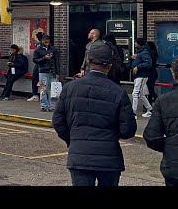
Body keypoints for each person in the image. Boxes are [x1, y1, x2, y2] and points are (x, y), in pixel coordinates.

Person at [52, 43, 137, 186]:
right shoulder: (118, 92)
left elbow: (58, 121)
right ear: (109, 66)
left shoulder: (69, 88)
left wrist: (72, 140)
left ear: (89, 63)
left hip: (79, 156)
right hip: (109, 158)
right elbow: (128, 130)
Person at [143, 54, 178, 186]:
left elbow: (151, 136)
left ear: (174, 74)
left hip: (176, 169)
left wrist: (171, 146)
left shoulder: (164, 101)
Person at [33, 34, 60, 112]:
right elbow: (35, 60)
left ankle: (52, 106)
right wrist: (44, 58)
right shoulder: (38, 50)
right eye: (45, 42)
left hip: (53, 71)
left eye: (48, 41)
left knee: (54, 90)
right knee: (43, 89)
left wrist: (58, 72)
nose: (47, 43)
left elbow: (56, 61)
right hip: (43, 71)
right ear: (42, 41)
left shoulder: (53, 49)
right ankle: (44, 106)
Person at [131, 37, 153, 119]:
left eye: (135, 42)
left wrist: (138, 66)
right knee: (140, 94)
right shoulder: (142, 52)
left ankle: (133, 112)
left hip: (141, 75)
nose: (134, 44)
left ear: (138, 43)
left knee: (135, 93)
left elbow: (148, 63)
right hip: (139, 75)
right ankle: (150, 109)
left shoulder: (144, 52)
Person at [27, 31, 45, 102]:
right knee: (35, 79)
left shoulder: (43, 45)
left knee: (39, 80)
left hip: (41, 64)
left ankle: (38, 95)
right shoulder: (39, 44)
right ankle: (37, 95)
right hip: (38, 64)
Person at [146, 40, 159, 106]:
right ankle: (150, 102)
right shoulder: (154, 53)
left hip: (150, 73)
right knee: (150, 89)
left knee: (150, 90)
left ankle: (156, 100)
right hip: (153, 73)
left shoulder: (149, 54)